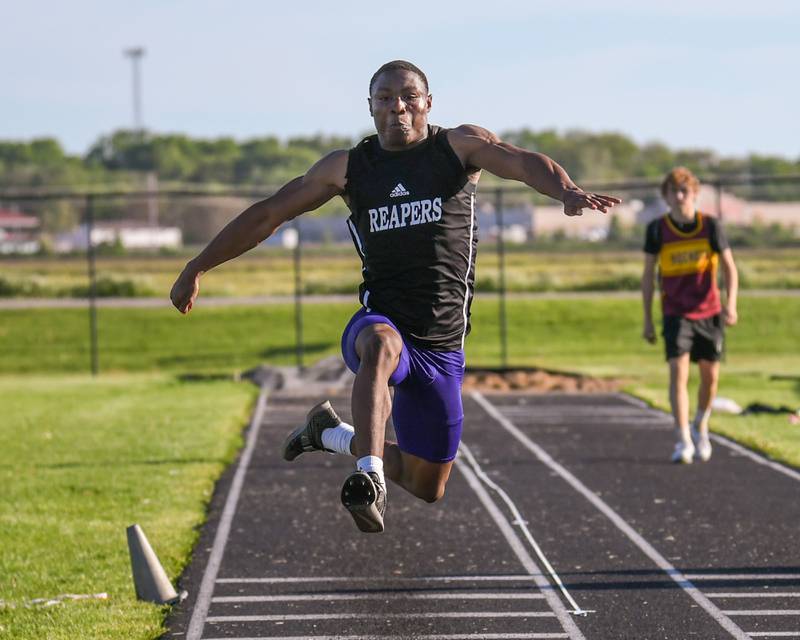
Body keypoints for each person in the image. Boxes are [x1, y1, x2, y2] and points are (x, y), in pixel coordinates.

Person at [170, 60, 621, 533]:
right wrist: (197, 265)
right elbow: (268, 214)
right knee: (382, 346)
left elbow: (522, 161)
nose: (397, 107)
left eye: (408, 96)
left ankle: (330, 434)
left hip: (443, 343)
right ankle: (369, 478)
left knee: (428, 485)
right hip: (381, 321)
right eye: (385, 98)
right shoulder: (348, 168)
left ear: (428, 103)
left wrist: (566, 191)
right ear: (370, 108)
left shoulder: (458, 148)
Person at [641, 167, 738, 464]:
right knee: (678, 373)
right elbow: (647, 276)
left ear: (695, 194)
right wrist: (647, 318)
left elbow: (729, 268)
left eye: (685, 191)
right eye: (674, 192)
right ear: (666, 197)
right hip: (675, 312)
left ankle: (700, 424)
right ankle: (683, 438)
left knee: (710, 377)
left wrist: (730, 303)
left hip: (709, 311)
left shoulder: (710, 226)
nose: (680, 196)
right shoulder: (657, 229)